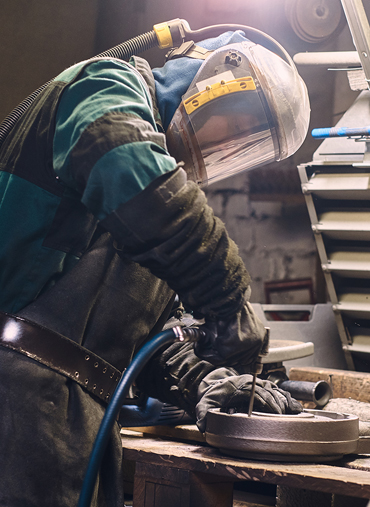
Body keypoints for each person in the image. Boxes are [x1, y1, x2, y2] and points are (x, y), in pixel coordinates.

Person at [0, 28, 309, 506]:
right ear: (212, 81)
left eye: (247, 151)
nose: (225, 152)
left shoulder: (155, 209)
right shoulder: (104, 87)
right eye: (237, 130)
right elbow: (118, 158)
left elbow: (147, 335)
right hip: (12, 400)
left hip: (78, 425)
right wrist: (226, 293)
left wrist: (204, 380)